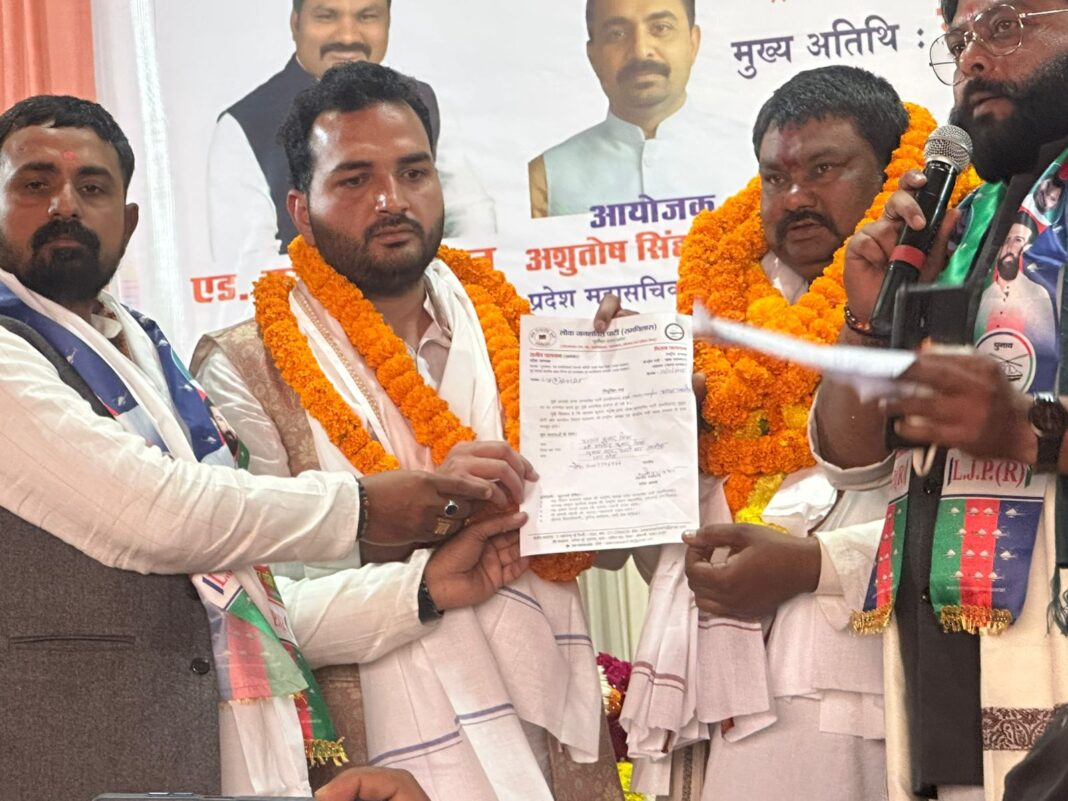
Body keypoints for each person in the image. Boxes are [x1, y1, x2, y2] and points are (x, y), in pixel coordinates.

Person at [0, 93, 518, 801]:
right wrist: (363, 508)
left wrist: (422, 588)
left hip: (206, 762)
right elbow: (157, 516)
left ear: (128, 221)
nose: (65, 205)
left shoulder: (144, 352)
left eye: (92, 188)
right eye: (35, 184)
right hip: (69, 764)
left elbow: (243, 603)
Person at [194, 61, 621, 801]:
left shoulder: (526, 337)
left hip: (550, 741)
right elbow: (256, 615)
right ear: (300, 208)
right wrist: (421, 576)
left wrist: (629, 409)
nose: (392, 200)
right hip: (372, 759)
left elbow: (601, 549)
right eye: (354, 178)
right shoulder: (243, 368)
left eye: (413, 172)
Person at [620, 66, 912, 801]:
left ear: (889, 173)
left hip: (858, 674)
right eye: (776, 178)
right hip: (705, 679)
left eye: (824, 170)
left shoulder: (939, 289)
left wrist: (813, 566)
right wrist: (648, 426)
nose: (796, 197)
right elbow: (649, 557)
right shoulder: (710, 321)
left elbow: (971, 512)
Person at [812, 1, 1068, 798]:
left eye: (1006, 24)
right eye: (960, 39)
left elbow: (1019, 432)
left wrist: (1027, 433)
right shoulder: (962, 220)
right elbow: (854, 459)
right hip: (945, 669)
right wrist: (866, 319)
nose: (973, 60)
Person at [208, 0, 495, 295]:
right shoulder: (243, 124)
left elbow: (470, 216)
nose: (347, 36)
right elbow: (247, 270)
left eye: (367, 16)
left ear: (388, 22)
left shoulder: (421, 101)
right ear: (295, 23)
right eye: (327, 16)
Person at [527, 0, 747, 218]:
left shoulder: (753, 155)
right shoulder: (545, 179)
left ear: (693, 43)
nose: (640, 51)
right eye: (617, 34)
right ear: (592, 56)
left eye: (661, 28)